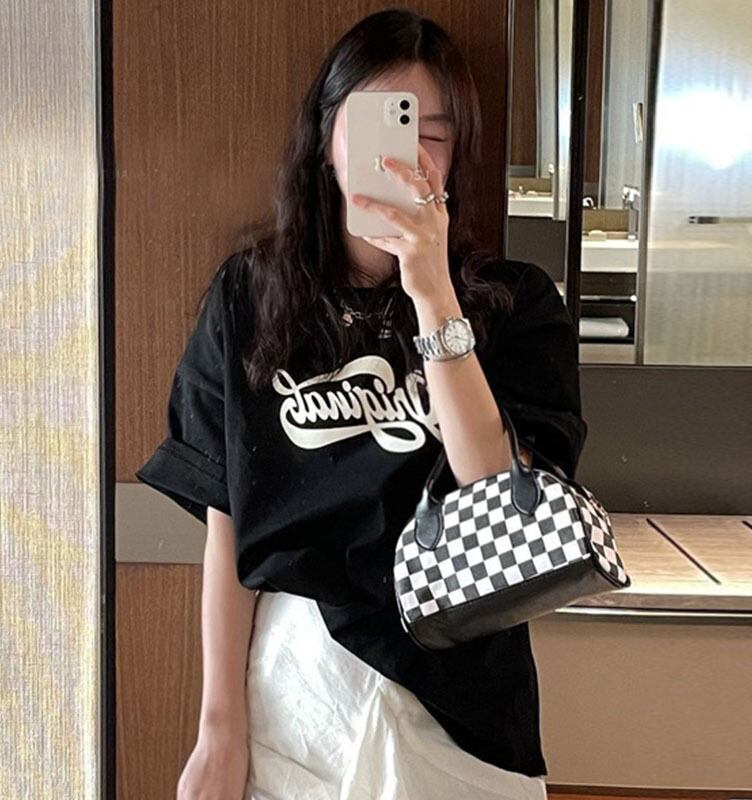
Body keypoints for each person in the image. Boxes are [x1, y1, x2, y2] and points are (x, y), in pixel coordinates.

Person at [135, 8, 587, 800]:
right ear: (326, 137)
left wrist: (432, 288)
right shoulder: (251, 297)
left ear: (459, 153)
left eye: (433, 132)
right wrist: (219, 726)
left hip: (462, 685)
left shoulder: (516, 303)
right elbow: (229, 519)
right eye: (384, 122)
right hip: (296, 682)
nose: (407, 154)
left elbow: (497, 491)